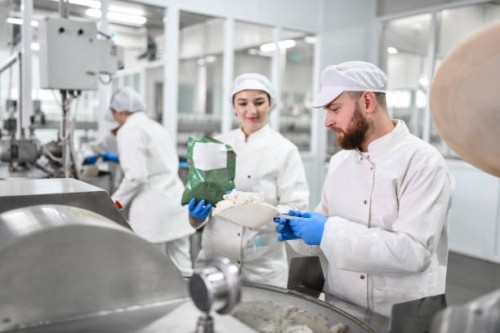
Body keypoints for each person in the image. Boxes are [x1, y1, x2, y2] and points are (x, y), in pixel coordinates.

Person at [275, 61, 454, 317]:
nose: (327, 121)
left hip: (398, 315)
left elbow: (414, 253)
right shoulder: (339, 163)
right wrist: (300, 233)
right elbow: (322, 239)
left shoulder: (423, 162)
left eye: (334, 109)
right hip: (342, 307)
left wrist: (327, 230)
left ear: (367, 102)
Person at [188, 73, 309, 288]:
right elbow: (203, 198)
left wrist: (256, 214)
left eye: (259, 102)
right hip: (215, 259)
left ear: (271, 104)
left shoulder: (285, 150)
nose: (251, 111)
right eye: (242, 103)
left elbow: (297, 206)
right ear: (234, 106)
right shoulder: (217, 145)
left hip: (262, 263)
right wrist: (195, 217)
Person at [108, 87, 195, 277]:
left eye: (113, 113)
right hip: (176, 202)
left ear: (120, 111)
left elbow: (136, 177)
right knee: (183, 268)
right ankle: (191, 304)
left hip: (153, 209)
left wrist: (115, 202)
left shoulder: (129, 130)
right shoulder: (155, 126)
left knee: (150, 269)